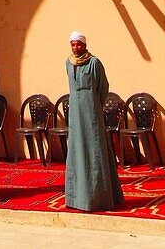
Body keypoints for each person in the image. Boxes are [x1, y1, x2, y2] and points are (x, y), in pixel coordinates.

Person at [64, 30, 124, 212]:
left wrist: (93, 105)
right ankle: (77, 197)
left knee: (94, 149)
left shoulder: (94, 62)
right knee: (77, 150)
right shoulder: (68, 63)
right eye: (73, 44)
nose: (76, 48)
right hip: (76, 113)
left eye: (79, 44)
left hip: (91, 113)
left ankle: (99, 197)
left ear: (84, 45)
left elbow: (103, 87)